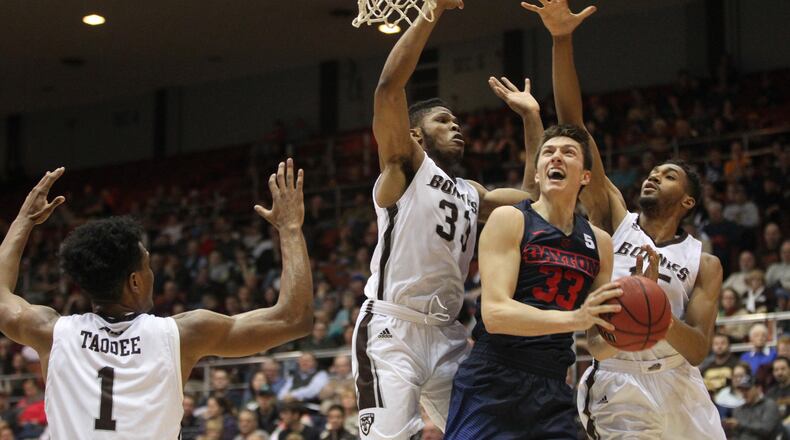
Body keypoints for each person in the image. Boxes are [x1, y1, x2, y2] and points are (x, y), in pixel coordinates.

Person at [519, 1, 726, 438]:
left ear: (687, 202)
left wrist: (658, 311)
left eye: (668, 176)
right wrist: (561, 39)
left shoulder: (702, 262)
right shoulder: (616, 219)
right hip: (618, 378)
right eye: (652, 172)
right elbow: (575, 126)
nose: (653, 176)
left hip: (679, 383)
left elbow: (698, 351)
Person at [0, 162, 313, 438]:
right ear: (135, 281)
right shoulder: (179, 335)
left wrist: (23, 222)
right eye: (147, 265)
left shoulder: (52, 332)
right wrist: (289, 228)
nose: (152, 273)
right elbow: (293, 318)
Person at [353, 0, 543, 437]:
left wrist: (531, 117)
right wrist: (431, 12)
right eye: (444, 120)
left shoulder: (471, 192)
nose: (456, 125)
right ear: (416, 134)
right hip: (391, 328)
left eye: (456, 120)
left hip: (447, 334)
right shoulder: (404, 167)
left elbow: (533, 196)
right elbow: (387, 89)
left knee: (489, 432)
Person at [444, 122, 621, 438]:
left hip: (552, 385)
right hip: (493, 378)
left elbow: (597, 345)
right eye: (549, 152)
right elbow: (496, 315)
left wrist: (629, 332)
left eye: (568, 153)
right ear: (537, 173)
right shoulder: (510, 219)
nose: (556, 158)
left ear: (585, 176)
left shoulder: (600, 242)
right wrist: (575, 318)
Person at [725, 374, 783, 440]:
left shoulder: (769, 405)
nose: (744, 393)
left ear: (758, 389)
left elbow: (766, 430)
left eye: (747, 389)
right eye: (742, 390)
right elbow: (735, 435)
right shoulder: (738, 409)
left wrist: (740, 425)